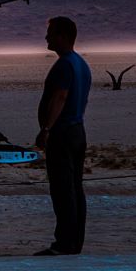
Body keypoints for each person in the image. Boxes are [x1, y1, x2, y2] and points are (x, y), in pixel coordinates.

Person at [36, 16, 91, 255]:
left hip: (64, 132)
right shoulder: (81, 64)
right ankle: (74, 241)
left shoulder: (65, 65)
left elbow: (60, 97)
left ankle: (65, 243)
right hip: (78, 131)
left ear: (63, 36)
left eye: (51, 33)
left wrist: (46, 129)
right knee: (75, 188)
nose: (47, 38)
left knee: (63, 190)